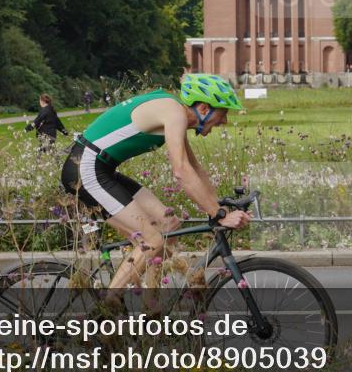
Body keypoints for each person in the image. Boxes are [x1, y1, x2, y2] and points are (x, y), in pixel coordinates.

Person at [61, 74, 251, 290]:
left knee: (168, 224)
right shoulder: (174, 114)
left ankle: (152, 309)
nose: (225, 120)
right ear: (205, 109)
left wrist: (220, 207)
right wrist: (219, 215)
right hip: (84, 169)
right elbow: (181, 171)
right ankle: (106, 309)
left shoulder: (175, 112)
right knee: (153, 240)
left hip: (101, 168)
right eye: (223, 113)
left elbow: (196, 169)